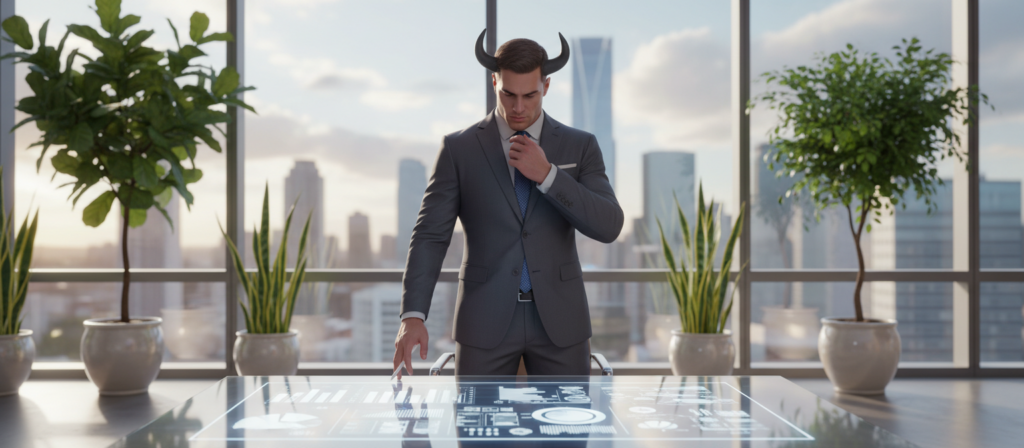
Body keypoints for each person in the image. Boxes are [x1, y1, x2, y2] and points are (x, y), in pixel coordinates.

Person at [393, 30, 623, 377]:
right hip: (483, 320)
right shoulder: (459, 149)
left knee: (570, 414)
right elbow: (430, 235)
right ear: (494, 82)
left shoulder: (581, 146)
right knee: (475, 414)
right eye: (508, 94)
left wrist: (548, 175)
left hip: (562, 323)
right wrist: (413, 315)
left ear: (546, 86)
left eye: (530, 95)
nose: (518, 107)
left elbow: (609, 225)